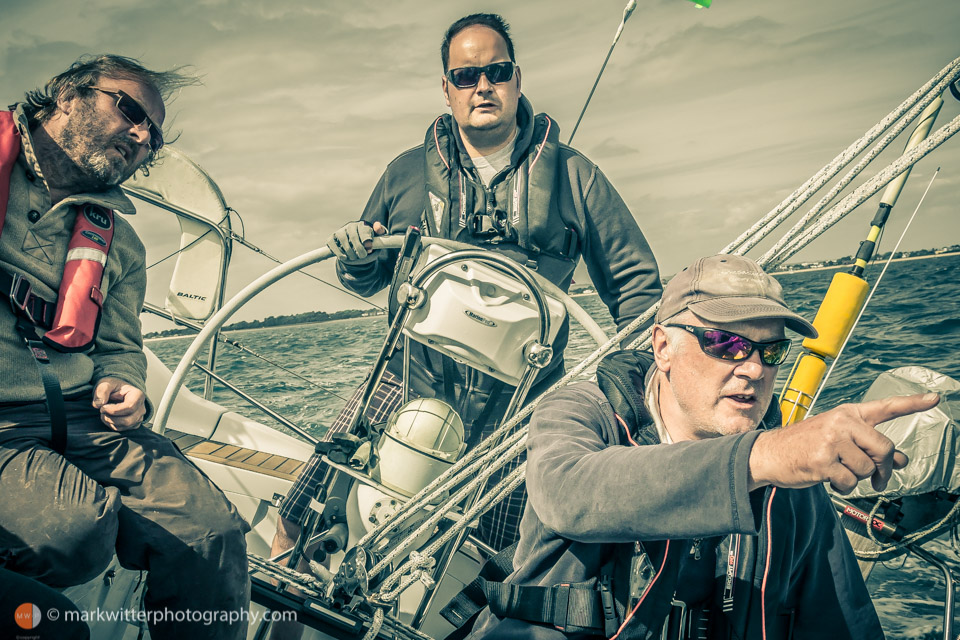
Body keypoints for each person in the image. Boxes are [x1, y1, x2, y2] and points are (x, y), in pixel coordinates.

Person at [272, 12, 661, 570]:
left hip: (521, 404)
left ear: (517, 78)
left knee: (504, 555)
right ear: (447, 89)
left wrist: (638, 380)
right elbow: (366, 275)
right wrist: (356, 256)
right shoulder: (405, 174)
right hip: (407, 376)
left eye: (497, 72)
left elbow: (636, 286)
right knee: (298, 514)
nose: (483, 87)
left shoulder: (577, 177)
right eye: (465, 76)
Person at [460, 254, 939, 640]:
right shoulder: (582, 411)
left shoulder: (793, 478)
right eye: (726, 343)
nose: (753, 368)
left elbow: (836, 619)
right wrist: (762, 458)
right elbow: (568, 495)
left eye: (770, 351)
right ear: (663, 346)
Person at [0, 55, 250, 639]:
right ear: (66, 95)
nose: (142, 137)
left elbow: (119, 345)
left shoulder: (123, 244)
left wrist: (126, 382)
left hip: (81, 416)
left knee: (210, 531)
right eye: (131, 111)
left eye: (153, 138)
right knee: (73, 537)